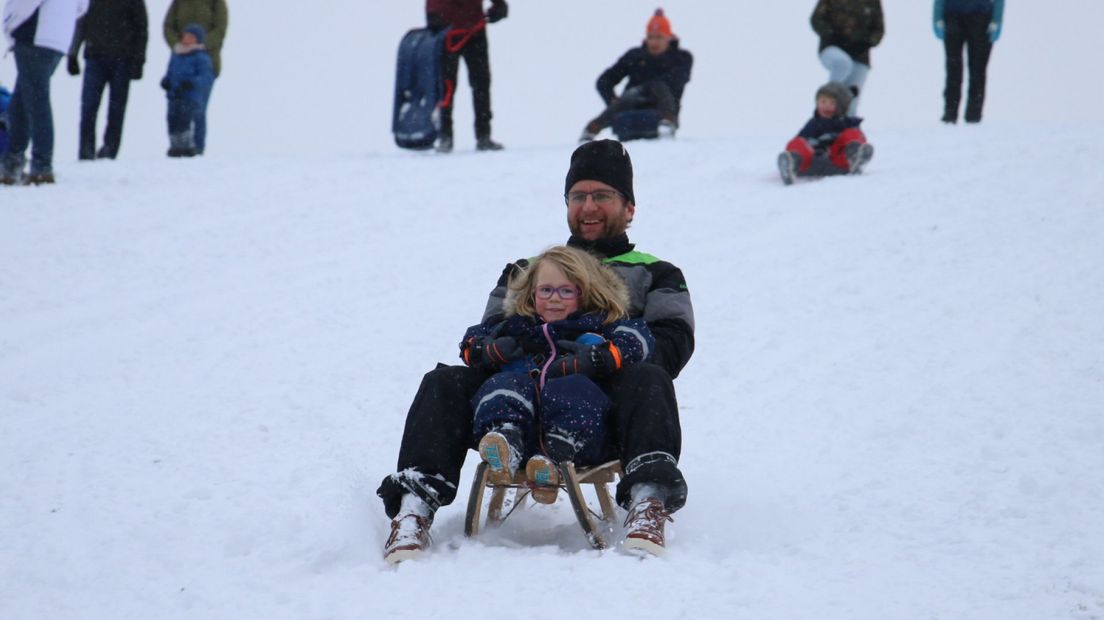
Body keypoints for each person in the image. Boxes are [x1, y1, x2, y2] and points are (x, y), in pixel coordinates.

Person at [379, 139, 695, 562]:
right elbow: (489, 330)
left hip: (599, 406)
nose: (589, 206)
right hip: (517, 394)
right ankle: (414, 507)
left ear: (629, 208)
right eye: (578, 196)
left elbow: (672, 343)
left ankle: (648, 500)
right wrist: (504, 348)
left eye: (602, 195)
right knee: (444, 382)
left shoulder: (658, 272)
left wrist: (599, 358)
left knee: (650, 377)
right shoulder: (526, 270)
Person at [465, 245, 655, 509]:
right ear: (532, 293)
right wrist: (486, 349)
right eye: (546, 290)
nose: (554, 298)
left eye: (566, 291)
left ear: (585, 294)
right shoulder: (515, 327)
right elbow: (471, 340)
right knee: (505, 385)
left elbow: (639, 340)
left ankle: (557, 452)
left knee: (572, 387)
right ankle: (505, 442)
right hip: (525, 435)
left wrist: (599, 357)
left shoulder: (600, 326)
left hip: (585, 439)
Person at [1, 0, 89, 186]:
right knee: (21, 102)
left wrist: (9, 24)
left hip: (34, 35)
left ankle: (40, 167)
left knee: (36, 103)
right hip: (57, 39)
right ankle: (11, 165)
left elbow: (24, 4)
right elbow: (82, 6)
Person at [579, 8, 692, 142]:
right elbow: (604, 81)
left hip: (661, 108)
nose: (654, 42)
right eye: (651, 37)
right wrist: (612, 100)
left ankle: (667, 123)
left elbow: (678, 79)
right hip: (629, 110)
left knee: (657, 87)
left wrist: (644, 89)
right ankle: (592, 130)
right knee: (630, 96)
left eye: (659, 37)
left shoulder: (681, 58)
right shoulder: (634, 56)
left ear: (668, 38)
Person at [67, 0, 147, 160]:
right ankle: (86, 152)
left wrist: (139, 61)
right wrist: (72, 54)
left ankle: (109, 151)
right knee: (89, 108)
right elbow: (81, 23)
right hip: (94, 57)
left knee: (116, 110)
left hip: (122, 60)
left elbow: (141, 28)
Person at [425, 0, 507, 153]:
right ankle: (445, 136)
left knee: (481, 83)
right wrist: (433, 13)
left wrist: (499, 6)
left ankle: (483, 136)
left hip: (474, 29)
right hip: (447, 30)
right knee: (447, 86)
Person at [777, 81, 874, 185]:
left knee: (852, 133)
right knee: (797, 142)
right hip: (810, 162)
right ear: (817, 103)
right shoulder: (814, 123)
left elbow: (858, 136)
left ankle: (855, 156)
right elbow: (800, 140)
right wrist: (812, 143)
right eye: (823, 102)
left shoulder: (847, 123)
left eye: (832, 103)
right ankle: (792, 163)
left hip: (836, 162)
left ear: (841, 107)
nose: (826, 106)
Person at [162, 0, 226, 155]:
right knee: (175, 112)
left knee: (198, 109)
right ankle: (178, 146)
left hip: (206, 64)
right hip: (181, 66)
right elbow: (168, 26)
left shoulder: (216, 2)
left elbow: (220, 29)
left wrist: (201, 44)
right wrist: (178, 45)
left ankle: (197, 148)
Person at [933, 0, 1004, 123]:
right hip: (954, 15)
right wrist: (937, 15)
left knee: (976, 70)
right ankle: (951, 114)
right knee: (954, 69)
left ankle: (972, 116)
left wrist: (997, 18)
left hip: (980, 17)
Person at [810, 0, 884, 116]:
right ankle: (825, 109)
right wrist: (834, 36)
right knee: (843, 64)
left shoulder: (872, 2)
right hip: (833, 47)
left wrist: (863, 42)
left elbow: (878, 30)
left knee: (851, 104)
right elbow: (817, 20)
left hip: (860, 55)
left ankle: (848, 128)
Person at [159, 23, 213, 157]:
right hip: (174, 94)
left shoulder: (201, 57)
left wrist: (192, 83)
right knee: (172, 118)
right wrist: (167, 81)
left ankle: (187, 145)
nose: (186, 39)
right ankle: (175, 144)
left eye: (190, 36)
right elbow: (171, 71)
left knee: (185, 119)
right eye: (185, 35)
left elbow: (205, 77)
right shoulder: (176, 54)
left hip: (190, 96)